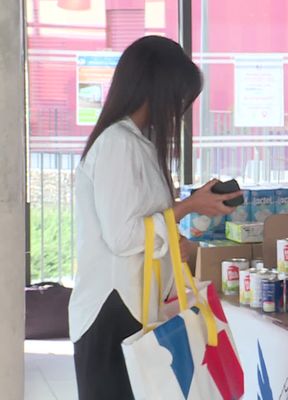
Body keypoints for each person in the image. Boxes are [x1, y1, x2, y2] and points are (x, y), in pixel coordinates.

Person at [68, 36, 242, 400]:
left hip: (131, 307)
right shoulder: (118, 143)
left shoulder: (137, 143)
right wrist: (189, 206)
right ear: (156, 88)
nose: (180, 108)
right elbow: (124, 236)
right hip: (112, 312)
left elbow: (142, 221)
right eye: (179, 96)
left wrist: (181, 223)